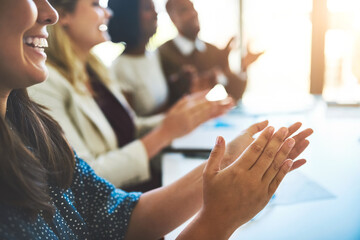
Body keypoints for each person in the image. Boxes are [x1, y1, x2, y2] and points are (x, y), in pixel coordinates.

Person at [0, 0, 314, 238]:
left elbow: (118, 214)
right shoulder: (51, 88)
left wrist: (228, 156)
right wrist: (218, 220)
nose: (49, 12)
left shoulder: (33, 127)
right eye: (96, 3)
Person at [28, 0, 234, 190]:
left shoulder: (95, 70)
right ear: (63, 16)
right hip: (121, 201)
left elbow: (130, 127)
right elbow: (82, 179)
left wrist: (184, 116)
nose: (108, 13)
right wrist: (165, 133)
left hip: (142, 185)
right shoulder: (45, 83)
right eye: (96, 4)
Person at [159, 0, 264, 102]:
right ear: (173, 19)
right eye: (184, 10)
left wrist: (244, 66)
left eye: (193, 7)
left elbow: (236, 93)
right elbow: (167, 99)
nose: (193, 13)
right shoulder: (163, 54)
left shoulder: (212, 51)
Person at [108, 0, 200, 116]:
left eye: (154, 8)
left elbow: (163, 105)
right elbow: (131, 128)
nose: (156, 14)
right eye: (147, 9)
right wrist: (172, 118)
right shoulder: (120, 69)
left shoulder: (154, 55)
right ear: (130, 16)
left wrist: (177, 86)